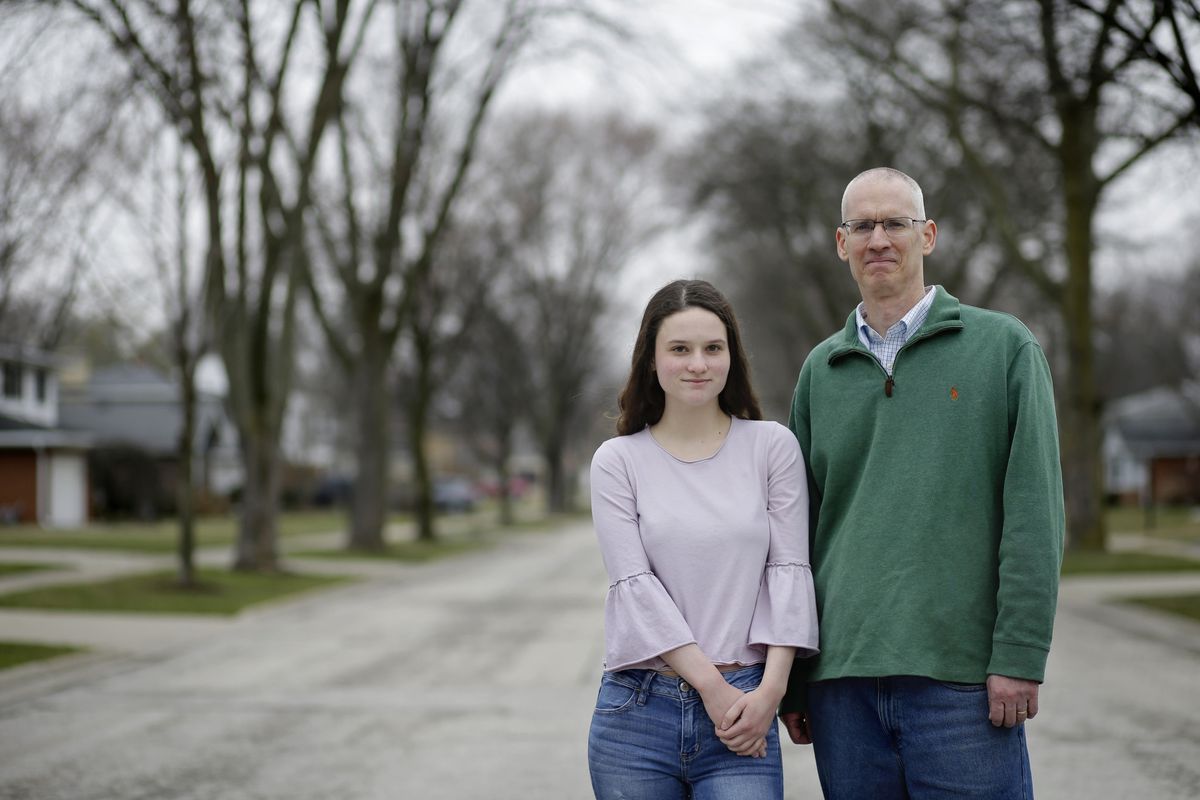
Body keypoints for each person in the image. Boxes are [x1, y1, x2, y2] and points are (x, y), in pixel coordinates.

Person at [778, 167, 1065, 799]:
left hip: (961, 685)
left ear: (927, 235)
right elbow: (795, 537)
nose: (878, 238)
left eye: (895, 223)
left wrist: (1018, 656)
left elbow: (1034, 515)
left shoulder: (1003, 349)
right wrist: (795, 678)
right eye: (862, 225)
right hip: (842, 686)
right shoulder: (820, 372)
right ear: (841, 242)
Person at [588, 278, 819, 800]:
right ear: (651, 359)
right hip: (636, 715)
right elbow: (636, 588)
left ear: (732, 357)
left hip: (748, 702)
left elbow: (789, 574)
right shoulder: (618, 461)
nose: (698, 363)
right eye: (680, 349)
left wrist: (771, 692)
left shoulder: (772, 447)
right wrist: (711, 690)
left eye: (713, 348)